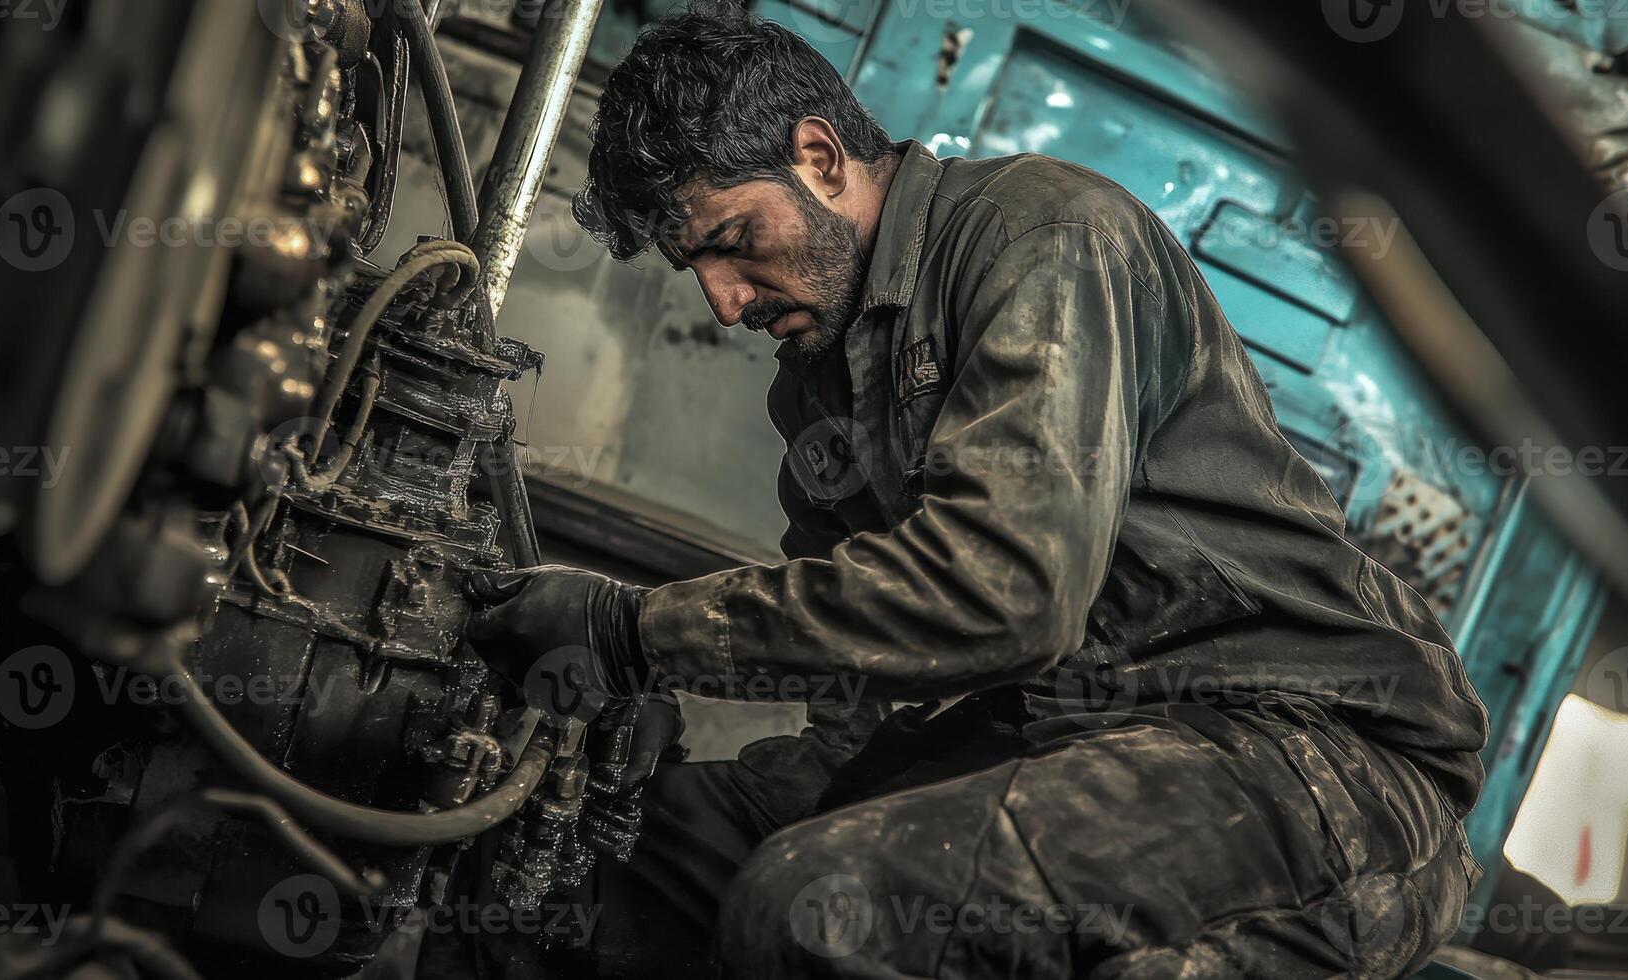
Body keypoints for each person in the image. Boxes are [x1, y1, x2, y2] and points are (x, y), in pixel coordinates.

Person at [467, 6, 1487, 977]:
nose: (724, 302)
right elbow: (866, 675)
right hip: (1070, 730)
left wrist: (633, 632)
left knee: (817, 903)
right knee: (663, 843)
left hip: (1305, 751)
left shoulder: (1045, 235)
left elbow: (1007, 592)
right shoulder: (818, 378)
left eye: (733, 241)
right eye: (696, 267)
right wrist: (643, 704)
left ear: (820, 159)